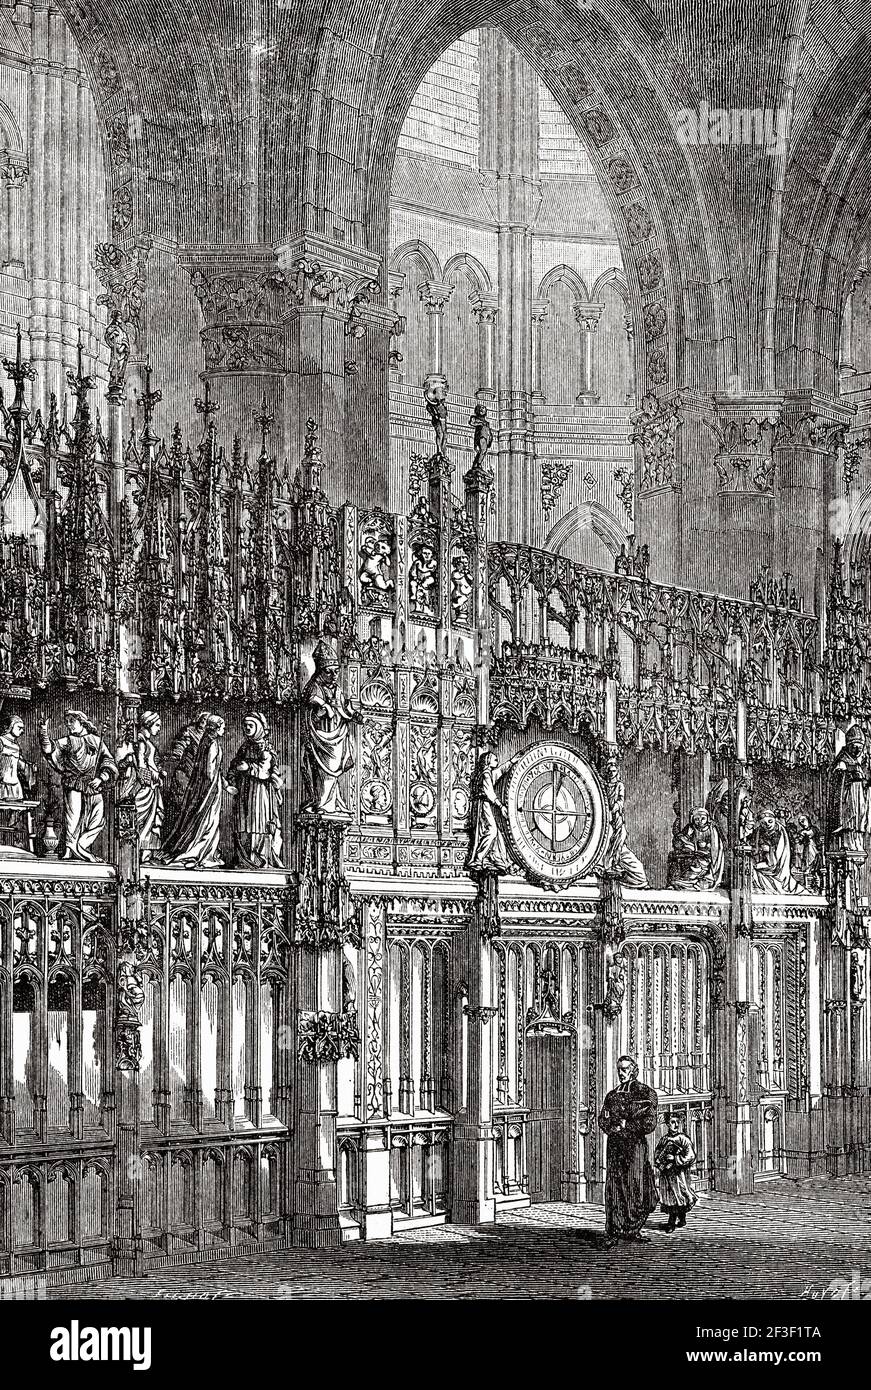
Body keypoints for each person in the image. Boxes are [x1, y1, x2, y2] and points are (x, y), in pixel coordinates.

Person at [39, 711, 117, 862]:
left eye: (71, 721)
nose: (68, 725)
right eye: (66, 722)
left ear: (82, 722)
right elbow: (49, 749)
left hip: (93, 784)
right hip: (74, 783)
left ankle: (81, 846)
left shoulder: (97, 740)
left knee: (98, 819)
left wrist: (101, 778)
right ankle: (69, 850)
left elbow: (108, 762)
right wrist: (43, 731)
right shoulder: (68, 741)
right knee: (72, 819)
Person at [598, 1055, 659, 1246]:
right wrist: (611, 1127)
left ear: (633, 1070)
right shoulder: (612, 1095)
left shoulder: (645, 1093)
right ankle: (614, 1231)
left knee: (636, 1186)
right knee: (615, 1187)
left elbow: (650, 1123)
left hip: (635, 1148)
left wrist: (627, 1125)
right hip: (616, 1147)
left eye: (624, 1069)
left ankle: (633, 1229)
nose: (621, 1073)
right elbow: (602, 1119)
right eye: (619, 1069)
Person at [301, 641, 360, 815]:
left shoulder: (337, 689)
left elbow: (343, 709)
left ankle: (332, 804)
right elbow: (311, 707)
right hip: (320, 738)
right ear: (320, 671)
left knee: (333, 773)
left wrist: (353, 715)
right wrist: (323, 708)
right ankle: (322, 803)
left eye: (336, 671)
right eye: (329, 671)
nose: (334, 675)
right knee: (322, 772)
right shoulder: (314, 687)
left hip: (336, 736)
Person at [159, 714, 226, 868]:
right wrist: (216, 785)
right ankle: (202, 853)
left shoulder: (204, 740)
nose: (224, 730)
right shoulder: (212, 743)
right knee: (208, 820)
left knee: (199, 818)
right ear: (216, 728)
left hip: (200, 785)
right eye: (222, 727)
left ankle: (200, 851)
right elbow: (209, 770)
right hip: (210, 787)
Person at [227, 712, 283, 868]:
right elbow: (234, 765)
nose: (247, 728)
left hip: (259, 790)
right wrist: (232, 777)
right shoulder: (245, 747)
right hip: (244, 789)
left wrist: (248, 767)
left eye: (250, 725)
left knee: (257, 823)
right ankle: (244, 859)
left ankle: (258, 859)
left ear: (259, 727)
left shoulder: (266, 748)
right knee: (243, 823)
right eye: (245, 726)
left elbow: (266, 770)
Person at [116, 710, 163, 862]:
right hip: (144, 787)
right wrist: (153, 777)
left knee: (149, 821)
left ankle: (145, 854)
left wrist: (158, 773)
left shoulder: (146, 741)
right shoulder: (141, 742)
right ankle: (139, 854)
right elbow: (141, 766)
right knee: (143, 820)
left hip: (151, 787)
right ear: (148, 724)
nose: (159, 729)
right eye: (157, 725)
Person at [467, 749, 519, 873]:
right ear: (487, 761)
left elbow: (500, 771)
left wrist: (511, 762)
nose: (496, 760)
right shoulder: (485, 774)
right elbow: (489, 793)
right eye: (494, 758)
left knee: (495, 833)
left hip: (483, 804)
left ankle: (497, 860)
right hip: (483, 804)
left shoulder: (487, 773)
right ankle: (478, 859)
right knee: (492, 830)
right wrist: (501, 806)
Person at [827, 724, 871, 853]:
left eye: (860, 748)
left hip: (859, 797)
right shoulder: (843, 760)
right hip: (848, 796)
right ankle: (847, 842)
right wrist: (849, 776)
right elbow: (837, 778)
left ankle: (857, 842)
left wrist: (864, 783)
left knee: (859, 819)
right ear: (849, 746)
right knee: (849, 819)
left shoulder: (857, 763)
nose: (857, 751)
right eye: (855, 747)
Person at [653, 1113, 698, 1231]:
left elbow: (691, 1155)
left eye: (678, 1122)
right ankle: (681, 1220)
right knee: (670, 1197)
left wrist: (675, 1158)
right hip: (666, 1174)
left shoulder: (683, 1138)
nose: (676, 1125)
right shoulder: (664, 1139)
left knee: (678, 1196)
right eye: (673, 1122)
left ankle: (672, 1223)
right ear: (668, 1124)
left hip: (679, 1174)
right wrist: (659, 1162)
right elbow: (657, 1154)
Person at [750, 807, 806, 893]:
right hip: (765, 861)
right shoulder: (759, 832)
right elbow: (755, 847)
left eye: (770, 821)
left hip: (777, 864)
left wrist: (769, 850)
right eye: (764, 823)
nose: (767, 825)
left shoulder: (779, 831)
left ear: (775, 820)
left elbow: (780, 851)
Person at [667, 807, 724, 890]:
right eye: (697, 819)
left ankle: (693, 882)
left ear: (707, 818)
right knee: (676, 859)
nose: (700, 821)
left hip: (706, 860)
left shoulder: (712, 830)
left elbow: (716, 849)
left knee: (695, 867)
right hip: (690, 855)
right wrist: (687, 836)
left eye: (703, 818)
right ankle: (680, 881)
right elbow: (677, 844)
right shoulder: (690, 828)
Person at [0, 715, 34, 800]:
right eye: (19, 727)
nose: (22, 731)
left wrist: (29, 767)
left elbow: (18, 764)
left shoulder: (16, 746)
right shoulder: (1, 741)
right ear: (11, 726)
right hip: (2, 784)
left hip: (15, 785)